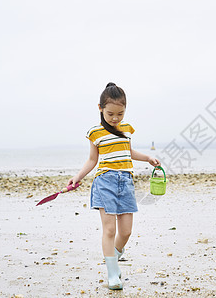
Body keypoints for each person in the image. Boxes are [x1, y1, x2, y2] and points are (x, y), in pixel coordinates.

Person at [68, 82, 161, 290]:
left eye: (120, 113)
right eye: (110, 114)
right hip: (105, 182)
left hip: (126, 182)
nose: (115, 118)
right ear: (100, 108)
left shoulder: (126, 130)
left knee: (126, 231)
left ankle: (115, 255)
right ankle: (112, 274)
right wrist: (78, 177)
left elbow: (129, 152)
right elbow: (92, 160)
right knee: (109, 229)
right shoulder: (95, 132)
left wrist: (147, 158)